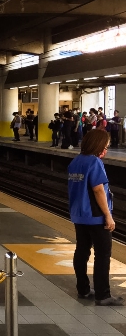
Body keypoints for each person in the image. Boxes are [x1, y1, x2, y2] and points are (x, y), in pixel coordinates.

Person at [68, 130, 123, 306]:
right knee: (103, 254)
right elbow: (98, 190)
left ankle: (83, 289)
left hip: (79, 215)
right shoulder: (95, 162)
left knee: (82, 251)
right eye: (105, 147)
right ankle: (103, 295)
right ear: (97, 145)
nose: (105, 151)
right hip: (95, 217)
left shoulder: (75, 162)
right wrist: (108, 216)